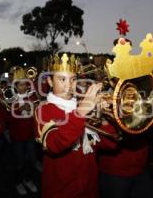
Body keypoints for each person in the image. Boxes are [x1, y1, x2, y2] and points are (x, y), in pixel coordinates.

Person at [34, 53, 117, 198]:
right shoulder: (42, 110)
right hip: (61, 191)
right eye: (62, 79)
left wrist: (103, 118)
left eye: (73, 79)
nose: (69, 85)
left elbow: (110, 145)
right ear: (50, 81)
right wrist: (81, 112)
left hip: (90, 189)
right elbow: (53, 145)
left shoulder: (82, 107)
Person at [8, 68, 38, 195]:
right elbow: (7, 119)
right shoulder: (10, 99)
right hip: (17, 136)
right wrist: (19, 110)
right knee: (19, 162)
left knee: (32, 160)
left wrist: (36, 108)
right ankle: (18, 182)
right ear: (15, 86)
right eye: (20, 84)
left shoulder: (32, 97)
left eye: (25, 83)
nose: (24, 86)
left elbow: (38, 114)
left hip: (30, 134)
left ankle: (28, 180)